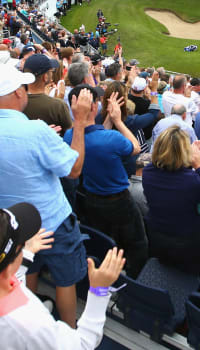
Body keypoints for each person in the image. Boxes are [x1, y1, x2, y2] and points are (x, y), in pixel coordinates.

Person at [0, 64, 95, 328]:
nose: (26, 92)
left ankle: (33, 321)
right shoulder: (34, 131)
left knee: (28, 270)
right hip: (51, 223)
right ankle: (70, 333)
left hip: (8, 223)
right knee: (65, 279)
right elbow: (74, 170)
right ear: (16, 93)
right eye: (23, 88)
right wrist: (80, 123)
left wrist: (43, 137)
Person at [0, 203, 126, 350]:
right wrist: (99, 290)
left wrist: (26, 253)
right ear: (8, 264)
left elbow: (0, 280)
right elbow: (82, 345)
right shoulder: (31, 324)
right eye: (20, 244)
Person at [65, 86, 147, 277]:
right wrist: (118, 121)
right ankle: (134, 281)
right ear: (94, 107)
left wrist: (109, 118)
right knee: (137, 243)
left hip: (91, 198)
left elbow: (95, 136)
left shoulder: (70, 136)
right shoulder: (111, 138)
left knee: (105, 240)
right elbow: (135, 148)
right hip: (119, 202)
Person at [142, 125, 200, 273]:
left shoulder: (147, 171)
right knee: (187, 274)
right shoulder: (190, 179)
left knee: (164, 268)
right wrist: (199, 166)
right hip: (186, 238)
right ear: (183, 152)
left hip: (156, 232)